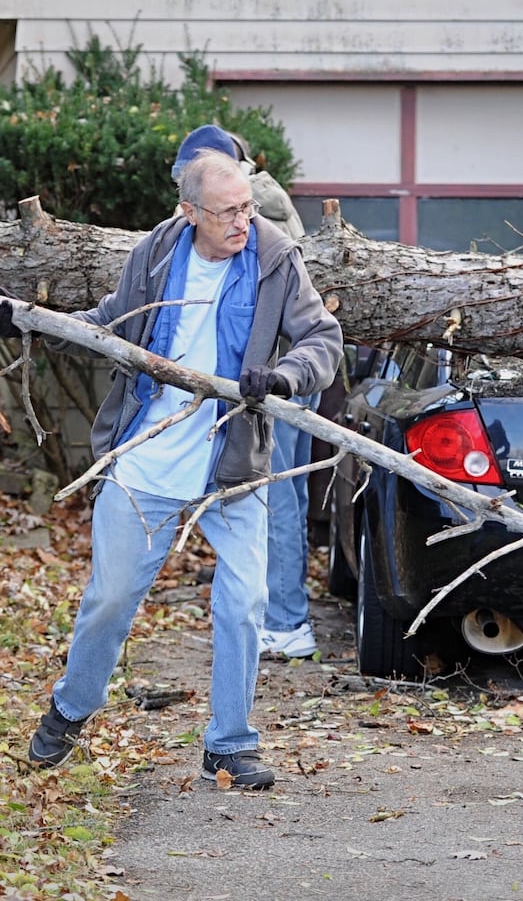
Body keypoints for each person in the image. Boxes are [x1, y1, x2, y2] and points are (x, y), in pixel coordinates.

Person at [0, 150, 342, 788]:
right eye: (229, 212)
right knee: (110, 599)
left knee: (245, 600)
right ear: (190, 212)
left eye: (248, 208)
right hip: (146, 452)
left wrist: (282, 376)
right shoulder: (157, 252)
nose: (243, 222)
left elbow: (323, 340)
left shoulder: (275, 256)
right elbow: (105, 326)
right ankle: (71, 707)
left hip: (233, 460)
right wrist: (27, 325)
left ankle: (229, 743)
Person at [170, 125, 321, 658]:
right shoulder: (254, 196)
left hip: (278, 378)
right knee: (284, 499)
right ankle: (283, 614)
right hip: (282, 376)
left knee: (273, 497)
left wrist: (277, 374)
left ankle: (285, 621)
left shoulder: (254, 210)